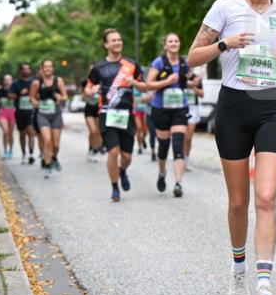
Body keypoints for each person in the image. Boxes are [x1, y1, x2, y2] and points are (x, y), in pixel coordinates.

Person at [187, 0, 276, 295]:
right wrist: (224, 44)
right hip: (234, 107)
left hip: (272, 105)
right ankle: (238, 271)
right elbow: (191, 58)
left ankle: (265, 282)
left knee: (266, 197)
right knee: (239, 201)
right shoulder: (225, 5)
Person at [85, 28, 153, 202]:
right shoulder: (98, 68)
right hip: (106, 114)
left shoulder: (131, 64)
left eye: (119, 40)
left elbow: (145, 86)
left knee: (127, 157)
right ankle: (115, 187)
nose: (117, 42)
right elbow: (86, 90)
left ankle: (122, 171)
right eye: (113, 40)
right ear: (106, 44)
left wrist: (135, 83)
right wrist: (91, 90)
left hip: (126, 114)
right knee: (113, 152)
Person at [144, 32, 193, 197]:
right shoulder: (159, 62)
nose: (173, 43)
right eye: (170, 41)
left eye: (176, 41)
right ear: (165, 45)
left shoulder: (184, 62)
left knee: (178, 145)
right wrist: (166, 82)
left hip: (180, 107)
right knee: (164, 146)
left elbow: (185, 82)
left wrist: (194, 83)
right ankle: (162, 172)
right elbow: (148, 85)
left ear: (179, 44)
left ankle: (178, 183)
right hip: (161, 108)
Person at [30, 60, 67, 178]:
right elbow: (31, 97)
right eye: (45, 67)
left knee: (56, 145)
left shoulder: (59, 81)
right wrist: (35, 102)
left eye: (50, 66)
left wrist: (60, 97)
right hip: (42, 114)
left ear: (53, 68)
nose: (48, 69)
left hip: (56, 115)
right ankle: (47, 164)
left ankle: (54, 157)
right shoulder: (37, 83)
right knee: (47, 139)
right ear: (42, 68)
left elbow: (66, 96)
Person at [11, 63, 37, 164]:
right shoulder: (16, 84)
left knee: (31, 132)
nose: (26, 71)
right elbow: (10, 95)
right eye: (24, 69)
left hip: (31, 111)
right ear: (21, 71)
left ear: (30, 71)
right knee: (22, 134)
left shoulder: (34, 82)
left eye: (28, 69)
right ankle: (24, 154)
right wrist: (19, 94)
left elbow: (38, 94)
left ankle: (31, 154)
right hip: (20, 111)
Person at [183, 67, 204, 171]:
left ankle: (186, 160)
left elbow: (202, 94)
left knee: (188, 137)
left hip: (193, 109)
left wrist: (193, 87)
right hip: (181, 107)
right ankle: (179, 157)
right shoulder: (179, 77)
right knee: (181, 136)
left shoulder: (196, 78)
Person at [81, 73, 103, 162]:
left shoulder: (102, 82)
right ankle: (91, 147)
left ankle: (96, 150)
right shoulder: (85, 83)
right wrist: (91, 93)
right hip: (89, 109)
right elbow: (84, 97)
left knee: (98, 132)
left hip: (99, 109)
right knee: (93, 131)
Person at [0, 74, 16, 158]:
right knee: (5, 132)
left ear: (12, 81)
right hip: (3, 112)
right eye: (6, 79)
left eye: (9, 80)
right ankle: (5, 151)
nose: (7, 81)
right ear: (3, 81)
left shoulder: (15, 89)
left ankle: (10, 150)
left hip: (12, 112)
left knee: (10, 133)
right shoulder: (0, 91)